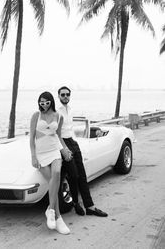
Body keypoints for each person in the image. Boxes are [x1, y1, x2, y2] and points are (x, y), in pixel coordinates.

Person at [58, 86, 108, 217]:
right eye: (62, 95)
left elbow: (70, 128)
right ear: (58, 96)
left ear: (70, 96)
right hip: (63, 143)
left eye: (67, 94)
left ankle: (90, 206)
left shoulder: (70, 110)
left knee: (82, 175)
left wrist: (75, 142)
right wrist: (64, 149)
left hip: (73, 142)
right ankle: (75, 203)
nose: (65, 97)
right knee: (73, 176)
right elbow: (56, 133)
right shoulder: (57, 112)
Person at [30, 91, 72, 235]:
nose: (44, 104)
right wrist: (33, 156)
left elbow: (58, 136)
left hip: (54, 150)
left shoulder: (58, 116)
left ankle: (51, 210)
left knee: (57, 173)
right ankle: (58, 217)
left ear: (51, 102)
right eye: (42, 102)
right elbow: (31, 138)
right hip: (41, 153)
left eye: (47, 102)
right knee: (54, 183)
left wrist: (65, 149)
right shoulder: (36, 115)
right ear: (39, 102)